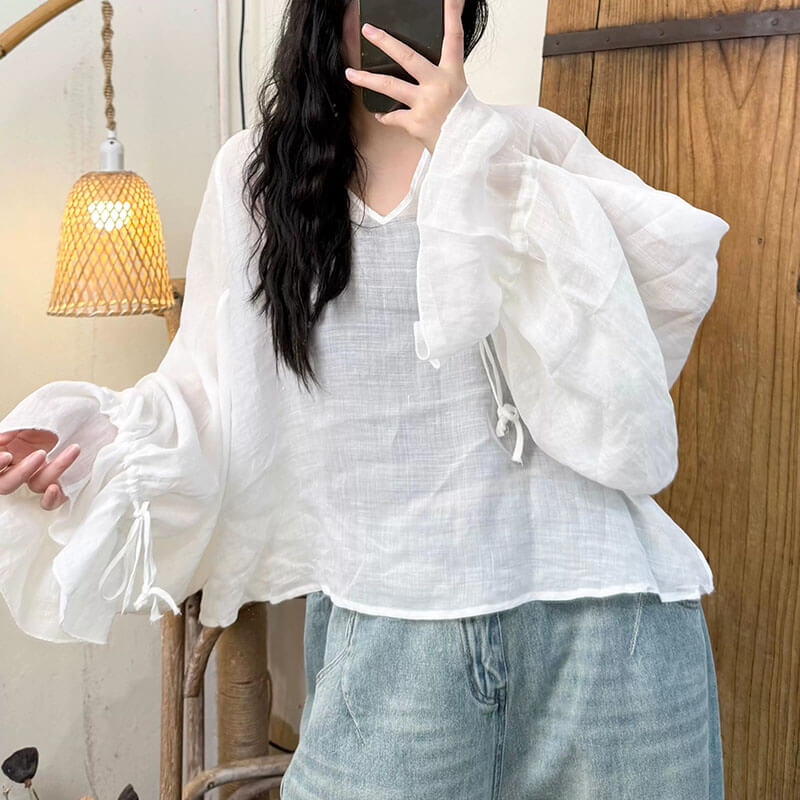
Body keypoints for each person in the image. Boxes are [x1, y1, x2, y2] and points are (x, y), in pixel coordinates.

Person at [0, 0, 728, 797]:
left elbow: (648, 333)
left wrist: (471, 153)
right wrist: (86, 448)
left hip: (605, 625)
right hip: (390, 640)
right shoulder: (257, 183)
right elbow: (206, 396)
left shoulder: (522, 146)